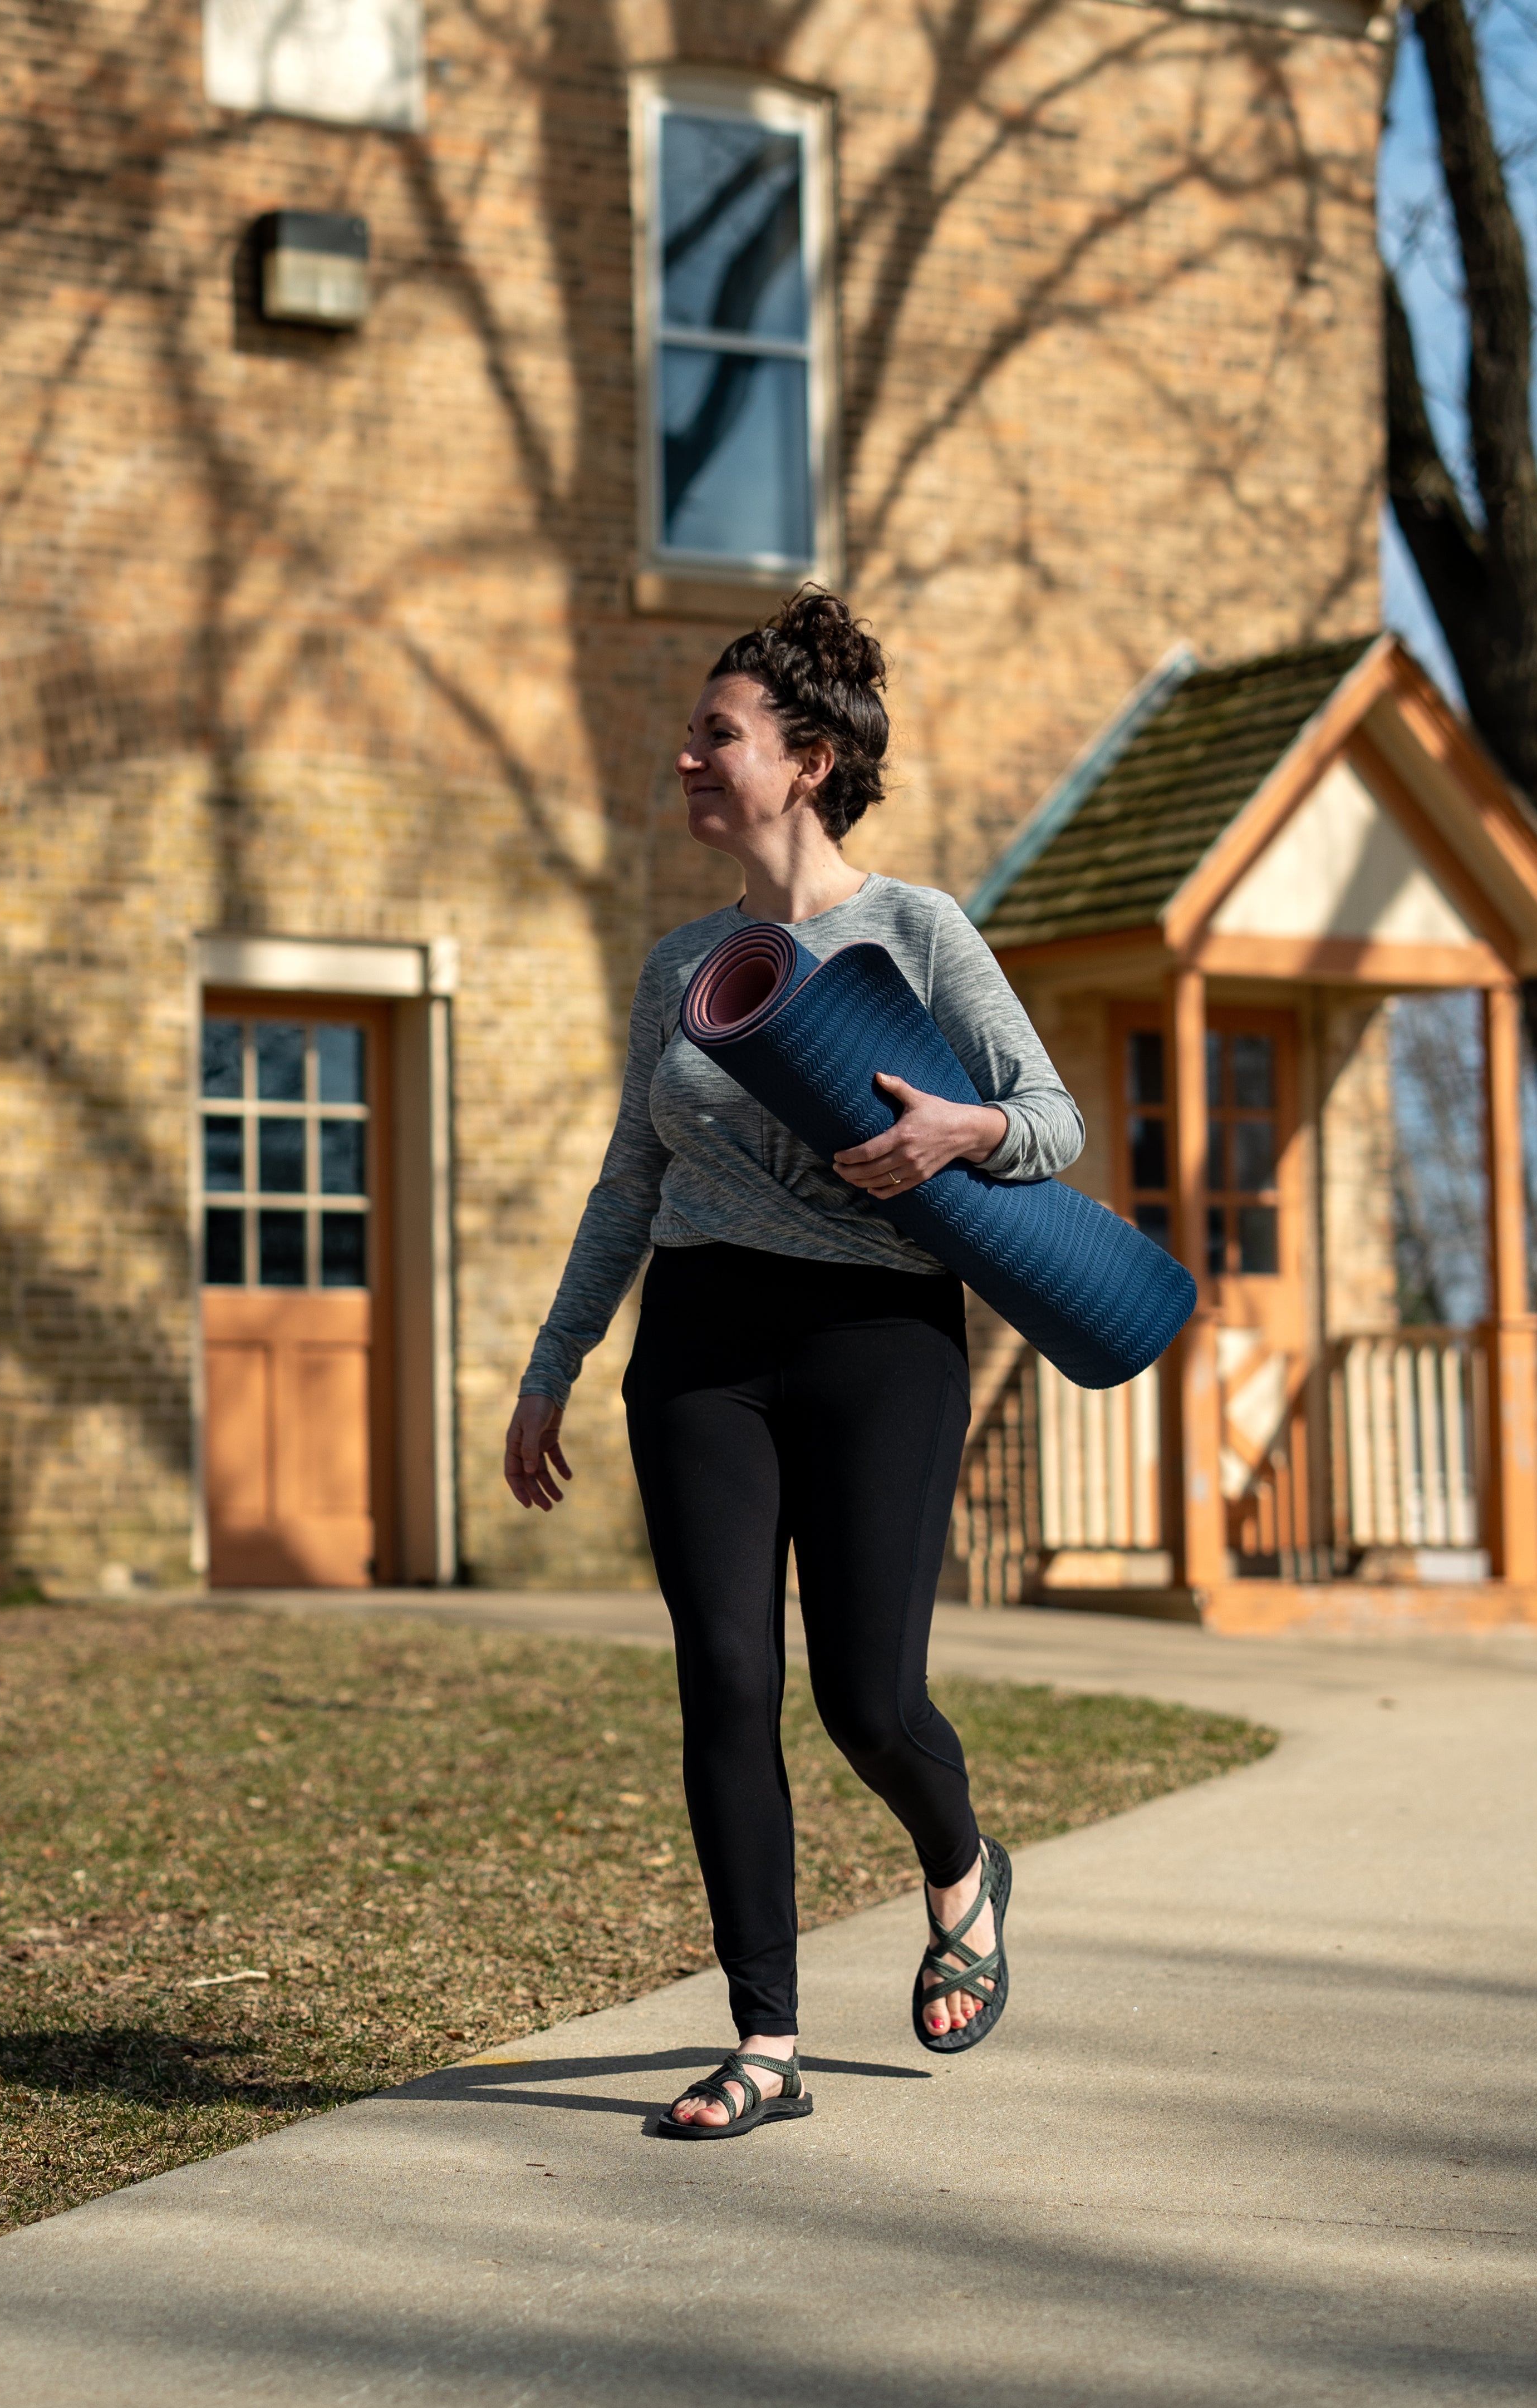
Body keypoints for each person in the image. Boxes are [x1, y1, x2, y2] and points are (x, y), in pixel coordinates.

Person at [502, 589, 1084, 2139]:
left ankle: (961, 1866)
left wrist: (966, 1128)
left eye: (720, 736)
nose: (689, 759)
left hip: (875, 1341)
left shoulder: (920, 932)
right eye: (692, 735)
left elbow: (1052, 1120)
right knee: (727, 1686)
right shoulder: (679, 969)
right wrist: (551, 1370)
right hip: (700, 1342)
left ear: (808, 759)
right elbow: (629, 1182)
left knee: (869, 1702)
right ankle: (766, 2040)